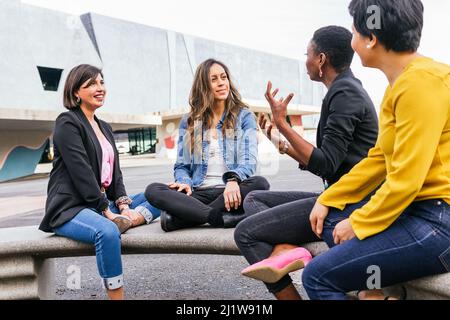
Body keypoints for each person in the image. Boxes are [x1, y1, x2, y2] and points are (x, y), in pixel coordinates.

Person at [299, 0, 450, 300]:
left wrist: (359, 221)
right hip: (416, 212)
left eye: (354, 32)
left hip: (438, 224)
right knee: (329, 218)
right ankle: (375, 291)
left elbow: (406, 181)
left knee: (317, 277)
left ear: (372, 39)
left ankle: (373, 291)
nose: (352, 43)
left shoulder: (422, 84)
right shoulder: (401, 84)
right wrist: (330, 196)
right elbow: (379, 159)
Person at [234, 26, 379, 300]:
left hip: (350, 201)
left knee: (246, 233)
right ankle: (286, 248)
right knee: (253, 198)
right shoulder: (343, 89)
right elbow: (325, 161)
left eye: (308, 54)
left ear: (321, 59)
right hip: (336, 194)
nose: (306, 61)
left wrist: (283, 124)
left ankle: (287, 266)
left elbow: (326, 163)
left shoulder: (345, 94)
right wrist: (281, 141)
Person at [39, 64, 161, 300]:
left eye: (102, 82)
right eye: (91, 84)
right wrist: (108, 212)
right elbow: (81, 172)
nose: (100, 88)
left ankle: (130, 220)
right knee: (106, 232)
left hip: (102, 204)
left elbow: (116, 175)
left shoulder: (104, 126)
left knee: (160, 194)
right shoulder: (67, 122)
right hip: (71, 208)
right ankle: (117, 296)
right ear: (76, 92)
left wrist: (124, 206)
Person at [145, 59, 270, 232]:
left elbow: (249, 159)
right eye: (214, 79)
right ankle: (219, 217)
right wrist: (184, 182)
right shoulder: (189, 121)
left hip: (231, 191)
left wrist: (233, 180)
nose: (221, 83)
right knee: (153, 190)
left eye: (223, 77)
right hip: (198, 192)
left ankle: (181, 219)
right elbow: (182, 165)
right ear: (203, 86)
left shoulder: (243, 115)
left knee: (260, 183)